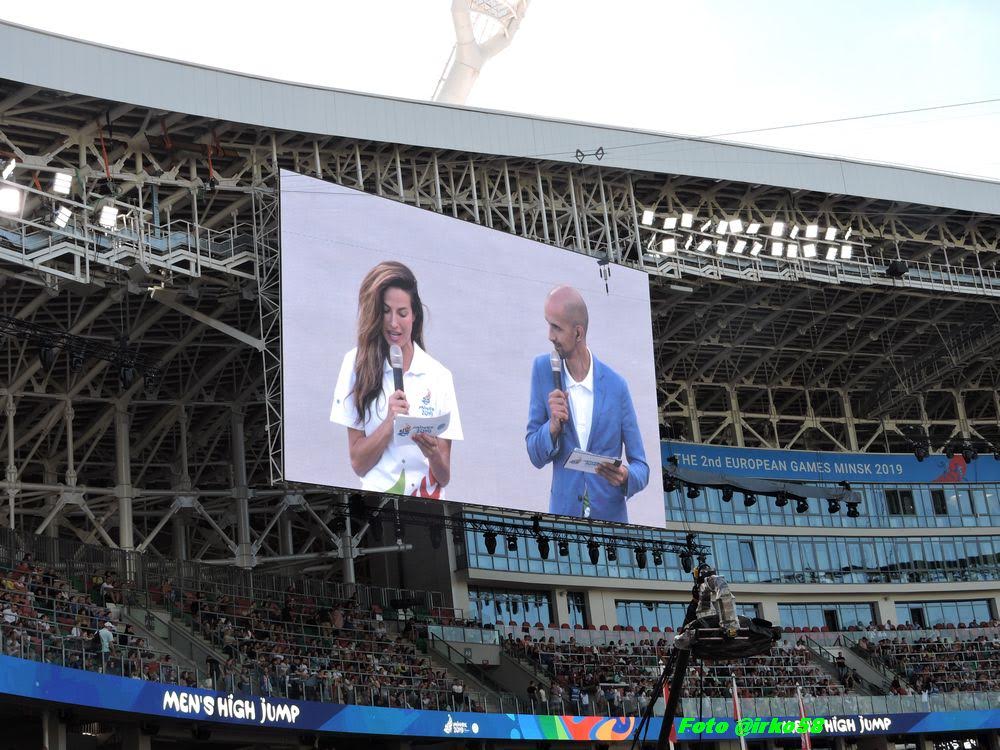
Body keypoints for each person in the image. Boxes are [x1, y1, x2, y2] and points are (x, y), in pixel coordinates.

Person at [331, 261, 463, 499]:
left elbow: (444, 477)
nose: (393, 323)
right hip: (377, 507)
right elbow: (358, 464)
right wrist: (389, 423)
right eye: (385, 311)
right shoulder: (355, 364)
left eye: (402, 313)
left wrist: (433, 453)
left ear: (414, 316)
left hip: (426, 509)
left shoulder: (439, 375)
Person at [525, 285, 649, 523]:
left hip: (610, 525)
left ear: (578, 333)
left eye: (556, 327)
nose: (550, 336)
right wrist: (552, 427)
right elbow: (534, 453)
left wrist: (625, 476)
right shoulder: (543, 370)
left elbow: (641, 467)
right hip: (564, 522)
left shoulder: (616, 386)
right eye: (548, 325)